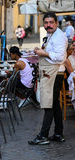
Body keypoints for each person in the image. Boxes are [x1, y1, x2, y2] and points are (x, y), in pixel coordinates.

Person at [28, 12, 68, 145]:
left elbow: (61, 57)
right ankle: (58, 133)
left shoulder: (59, 37)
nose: (48, 25)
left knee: (48, 104)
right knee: (54, 103)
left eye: (51, 22)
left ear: (56, 22)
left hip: (55, 73)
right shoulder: (51, 35)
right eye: (46, 23)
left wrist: (43, 53)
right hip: (51, 73)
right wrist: (40, 50)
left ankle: (43, 136)